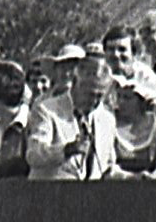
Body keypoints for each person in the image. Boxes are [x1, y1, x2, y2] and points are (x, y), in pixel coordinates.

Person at [26, 51, 118, 181]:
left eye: (99, 96)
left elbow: (108, 168)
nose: (94, 101)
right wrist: (66, 150)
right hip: (50, 191)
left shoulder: (107, 120)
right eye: (89, 94)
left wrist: (135, 177)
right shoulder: (46, 110)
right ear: (74, 83)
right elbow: (33, 155)